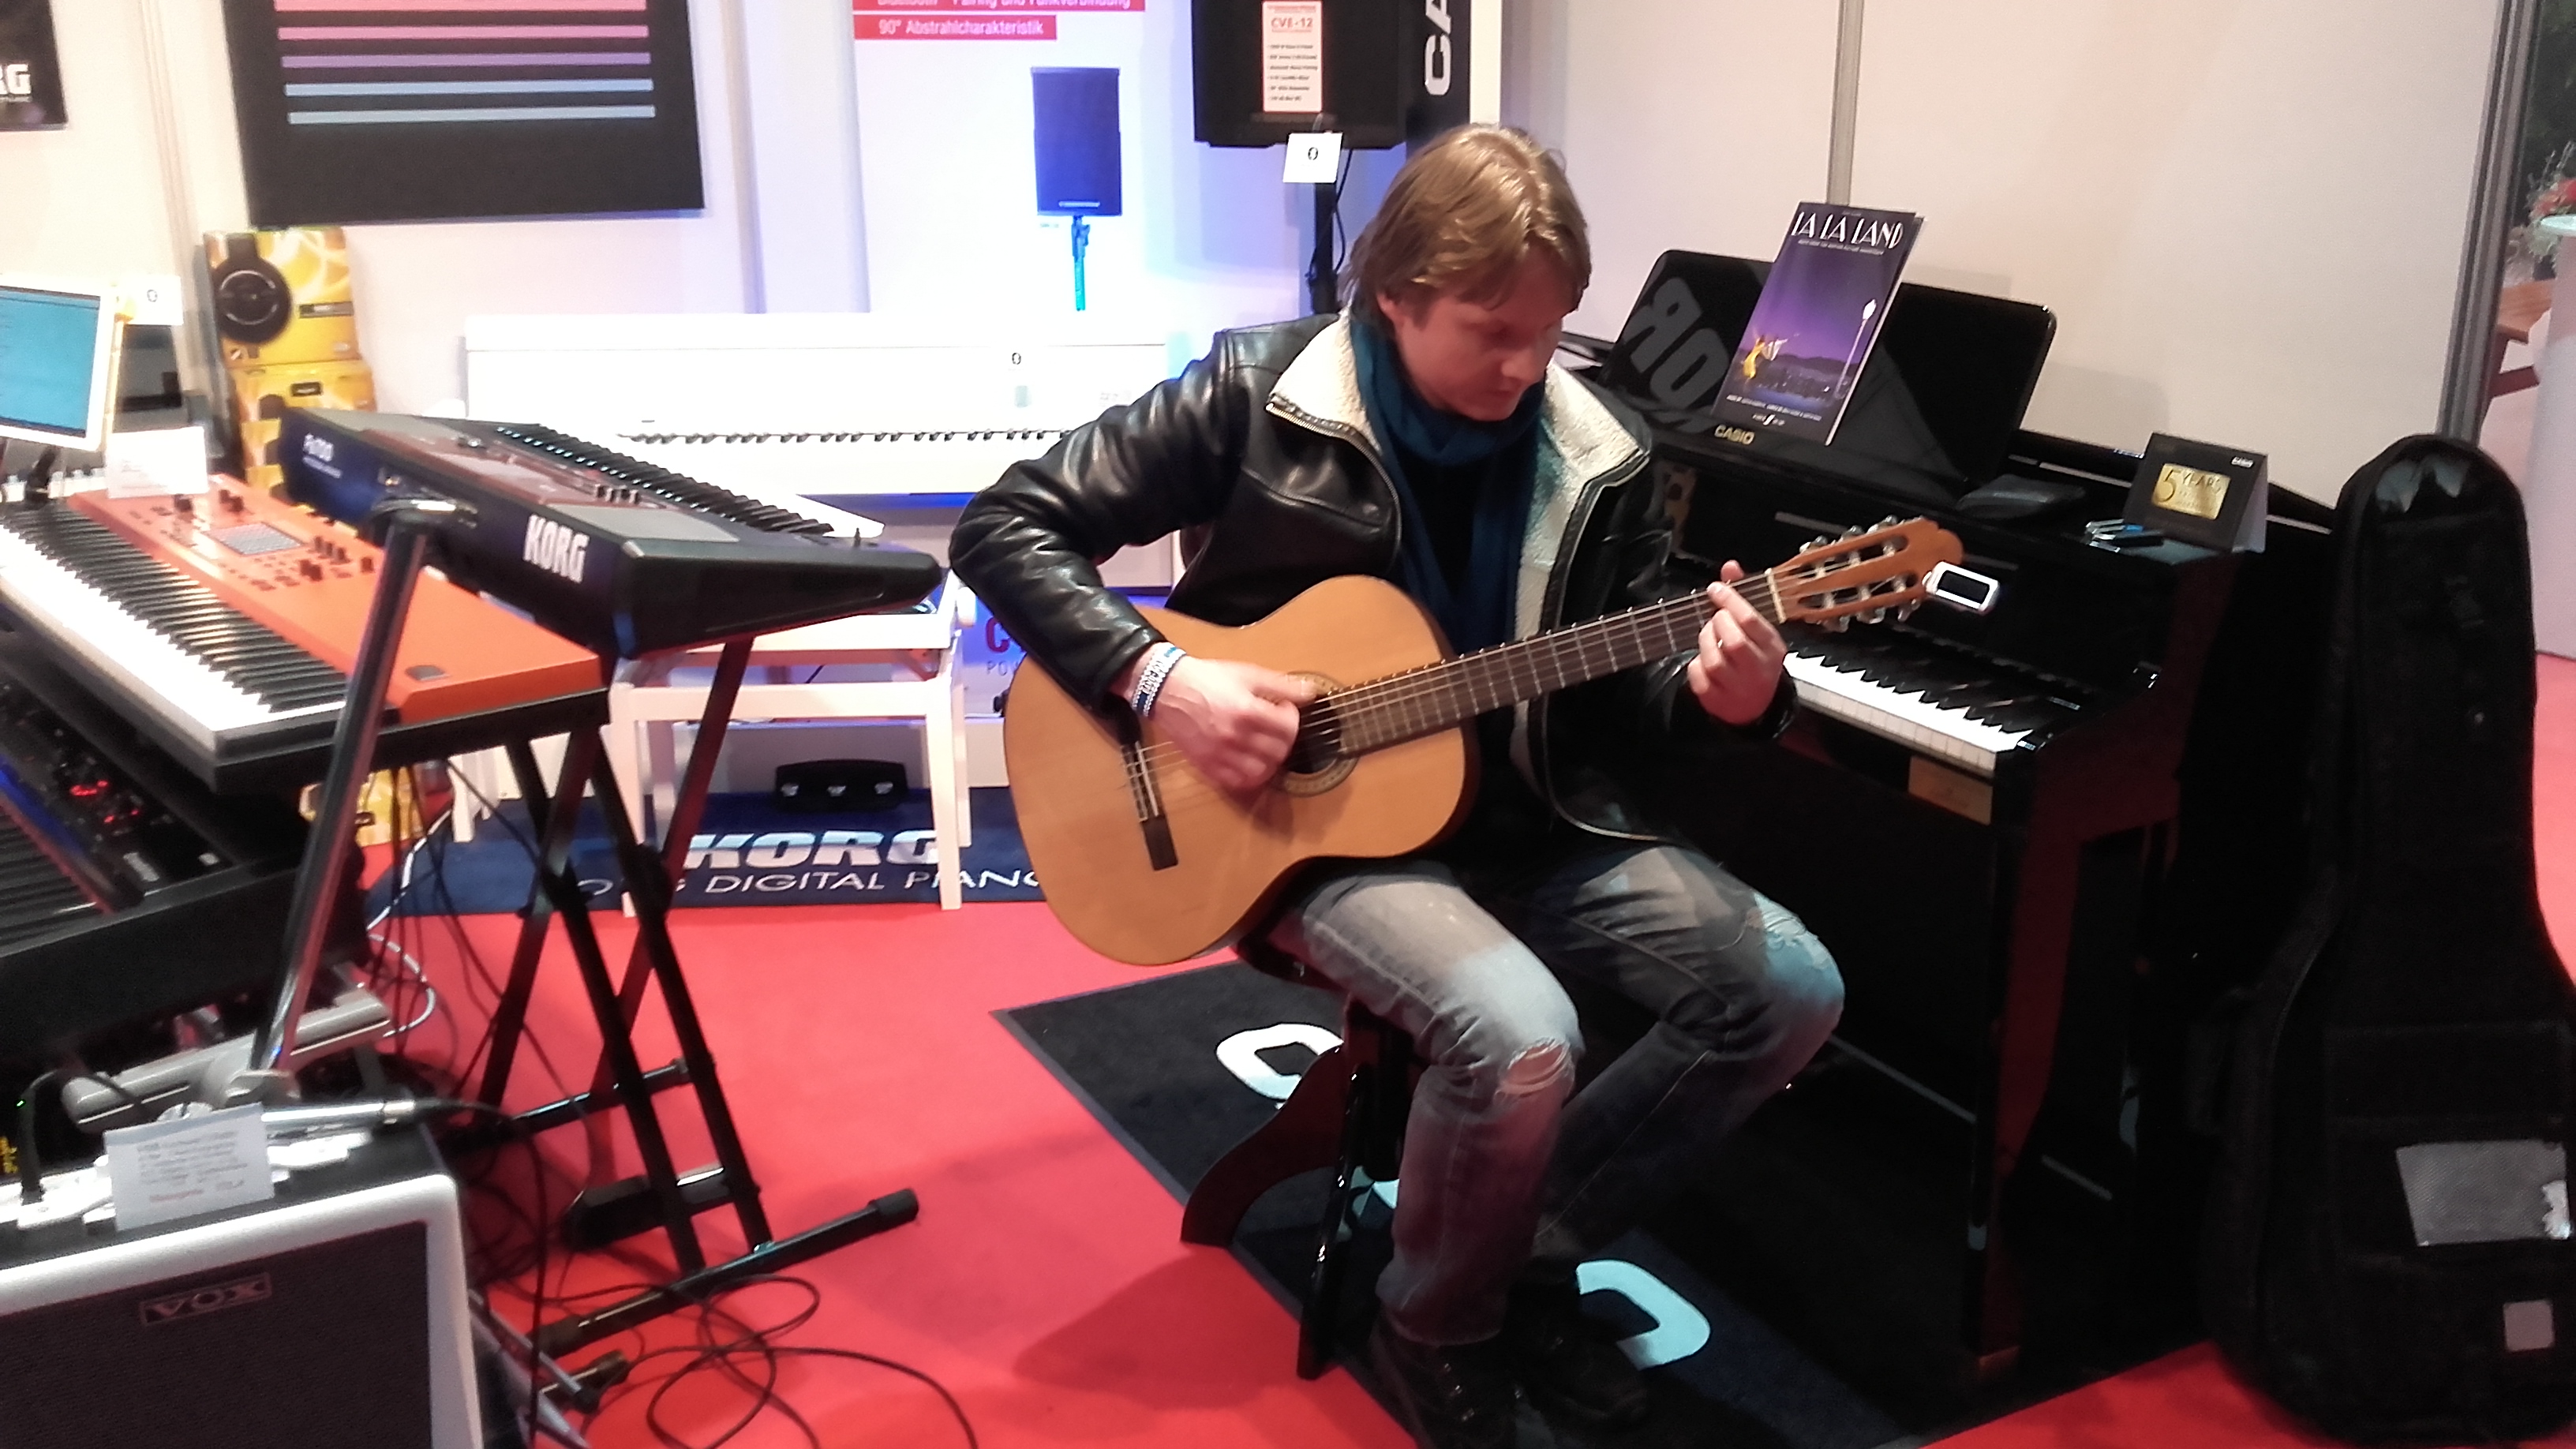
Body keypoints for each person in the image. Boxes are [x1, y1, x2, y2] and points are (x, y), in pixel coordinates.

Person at [952, 125, 1844, 1449]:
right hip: (1305, 836)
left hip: (1535, 818)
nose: (1526, 367)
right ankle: (1434, 1325)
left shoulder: (1602, 452)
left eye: (1550, 332)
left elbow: (1629, 691)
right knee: (1523, 1033)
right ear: (1395, 297)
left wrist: (1731, 699)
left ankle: (1519, 1256)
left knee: (1789, 991)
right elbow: (1004, 526)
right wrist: (1163, 683)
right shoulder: (1258, 393)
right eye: (1492, 333)